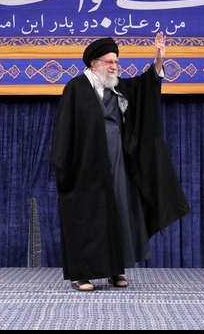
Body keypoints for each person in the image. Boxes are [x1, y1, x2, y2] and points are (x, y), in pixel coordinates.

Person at [49, 32, 190, 292]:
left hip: (116, 162)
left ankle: (116, 269)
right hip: (85, 165)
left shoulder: (118, 86)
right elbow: (65, 129)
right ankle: (81, 274)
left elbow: (145, 87)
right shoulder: (75, 88)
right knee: (87, 216)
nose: (115, 66)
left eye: (116, 62)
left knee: (119, 211)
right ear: (94, 64)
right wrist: (65, 167)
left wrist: (158, 61)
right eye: (110, 62)